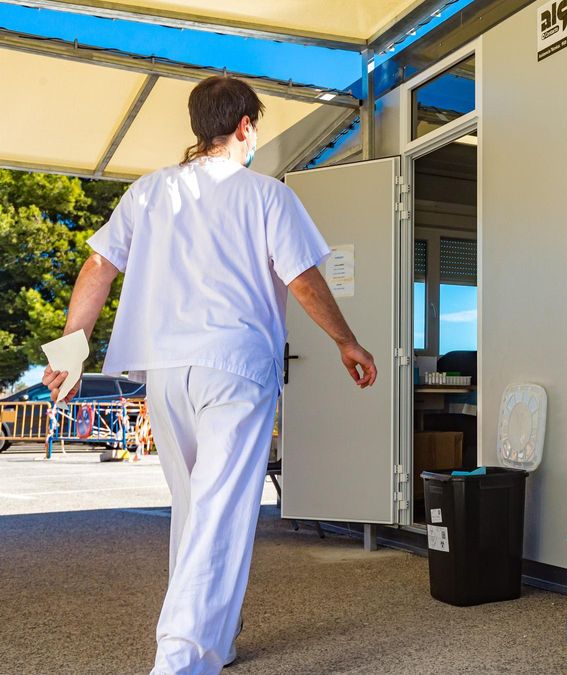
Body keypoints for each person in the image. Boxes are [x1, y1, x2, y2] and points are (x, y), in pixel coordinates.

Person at [42, 76, 376, 674]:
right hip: (236, 368)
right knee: (220, 509)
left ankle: (212, 643)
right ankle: (179, 661)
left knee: (196, 508)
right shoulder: (265, 195)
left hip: (166, 370)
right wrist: (346, 341)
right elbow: (301, 279)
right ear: (246, 125)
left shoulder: (148, 192)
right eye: (255, 128)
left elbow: (98, 264)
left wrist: (72, 348)